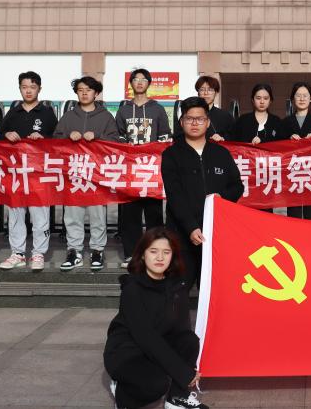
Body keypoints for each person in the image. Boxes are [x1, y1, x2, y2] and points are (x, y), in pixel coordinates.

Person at [104, 227, 207, 409]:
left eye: (166, 252)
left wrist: (185, 370)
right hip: (127, 351)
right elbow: (146, 336)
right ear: (143, 255)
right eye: (153, 251)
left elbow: (182, 330)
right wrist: (183, 372)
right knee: (156, 385)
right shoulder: (132, 289)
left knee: (189, 340)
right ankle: (123, 392)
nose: (160, 257)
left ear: (172, 256)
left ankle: (177, 398)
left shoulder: (177, 286)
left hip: (156, 343)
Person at [161, 96, 244, 290]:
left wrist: (222, 197)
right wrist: (191, 227)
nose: (194, 123)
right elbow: (174, 195)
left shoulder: (221, 154)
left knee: (214, 291)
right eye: (189, 119)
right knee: (177, 290)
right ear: (182, 122)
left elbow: (237, 186)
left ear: (207, 122)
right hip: (181, 234)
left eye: (199, 119)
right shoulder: (171, 155)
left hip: (216, 232)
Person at [55, 76, 119, 272]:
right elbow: (55, 140)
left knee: (97, 214)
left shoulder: (106, 117)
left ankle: (97, 250)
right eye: (80, 90)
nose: (84, 93)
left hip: (96, 173)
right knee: (72, 214)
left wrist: (98, 136)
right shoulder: (68, 116)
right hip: (74, 173)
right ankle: (74, 251)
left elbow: (115, 141)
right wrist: (68, 136)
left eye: (88, 90)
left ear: (96, 93)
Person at [0, 71, 58, 272]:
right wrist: (7, 134)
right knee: (16, 214)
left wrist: (43, 139)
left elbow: (58, 140)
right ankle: (18, 253)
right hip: (16, 172)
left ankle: (38, 253)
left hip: (39, 172)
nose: (28, 91)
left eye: (32, 87)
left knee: (40, 215)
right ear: (19, 89)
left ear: (39, 88)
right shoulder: (13, 112)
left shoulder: (47, 113)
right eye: (24, 87)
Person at [115, 68, 171, 268]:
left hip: (150, 168)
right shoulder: (123, 110)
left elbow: (165, 135)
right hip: (130, 168)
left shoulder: (158, 109)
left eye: (143, 79)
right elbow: (117, 136)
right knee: (130, 213)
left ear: (149, 83)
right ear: (131, 83)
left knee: (153, 213)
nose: (139, 82)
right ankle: (132, 254)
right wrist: (127, 146)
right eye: (136, 79)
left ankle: (156, 253)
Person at [282, 82, 311, 220]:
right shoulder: (285, 122)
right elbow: (278, 147)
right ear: (292, 99)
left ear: (310, 99)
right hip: (292, 174)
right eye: (298, 95)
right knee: (293, 213)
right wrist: (288, 140)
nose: (301, 99)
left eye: (305, 96)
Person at [174, 76, 234, 142]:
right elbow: (177, 136)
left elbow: (234, 137)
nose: (206, 93)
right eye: (202, 90)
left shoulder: (225, 116)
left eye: (210, 90)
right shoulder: (188, 114)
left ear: (216, 93)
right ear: (198, 92)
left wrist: (222, 138)